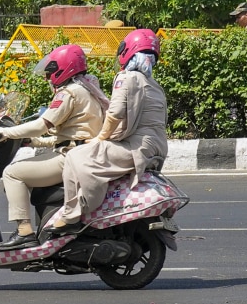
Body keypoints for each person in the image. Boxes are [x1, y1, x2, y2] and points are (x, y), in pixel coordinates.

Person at [46, 29, 168, 235]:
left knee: (75, 155)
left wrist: (99, 138)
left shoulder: (127, 77)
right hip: (156, 147)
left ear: (127, 51)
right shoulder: (155, 85)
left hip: (135, 147)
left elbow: (116, 112)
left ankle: (72, 214)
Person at [0, 44, 109, 249]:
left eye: (51, 72)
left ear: (63, 68)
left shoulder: (69, 93)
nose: (48, 77)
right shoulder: (88, 88)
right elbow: (71, 135)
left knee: (12, 173)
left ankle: (24, 232)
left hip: (71, 158)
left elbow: (41, 125)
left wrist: (6, 132)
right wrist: (33, 142)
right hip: (81, 154)